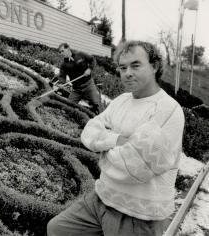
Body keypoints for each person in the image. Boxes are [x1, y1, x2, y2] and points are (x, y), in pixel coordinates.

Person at [47, 40, 185, 236]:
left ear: (154, 66)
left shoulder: (168, 110)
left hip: (138, 215)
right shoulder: (120, 101)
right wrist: (117, 140)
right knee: (57, 229)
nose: (127, 72)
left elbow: (137, 168)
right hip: (101, 198)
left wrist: (102, 149)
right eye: (122, 67)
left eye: (135, 65)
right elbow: (89, 131)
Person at [56, 43, 101, 114]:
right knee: (66, 107)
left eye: (62, 51)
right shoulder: (64, 65)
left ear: (68, 48)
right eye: (60, 52)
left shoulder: (80, 54)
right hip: (77, 89)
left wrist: (89, 69)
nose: (61, 53)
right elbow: (62, 77)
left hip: (89, 86)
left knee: (97, 106)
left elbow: (92, 60)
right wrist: (61, 83)